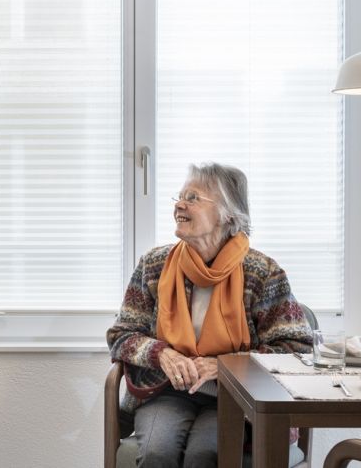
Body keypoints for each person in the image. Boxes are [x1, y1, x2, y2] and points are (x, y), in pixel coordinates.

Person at [106, 163, 314, 468]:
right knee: (156, 453)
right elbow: (121, 335)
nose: (179, 205)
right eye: (179, 197)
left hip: (236, 396)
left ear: (228, 213)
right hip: (167, 390)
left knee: (204, 456)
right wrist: (162, 354)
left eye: (193, 198)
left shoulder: (263, 273)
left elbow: (296, 349)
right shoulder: (154, 265)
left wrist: (225, 366)